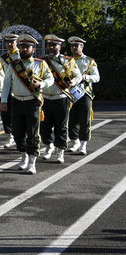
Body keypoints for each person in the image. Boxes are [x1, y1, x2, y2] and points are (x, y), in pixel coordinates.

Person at [0, 34, 54, 175]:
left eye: (27, 47)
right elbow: (6, 84)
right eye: (22, 47)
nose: (24, 49)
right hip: (16, 102)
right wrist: (4, 101)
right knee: (17, 133)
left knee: (32, 133)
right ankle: (23, 154)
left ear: (33, 49)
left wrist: (40, 84)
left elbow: (51, 79)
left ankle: (31, 161)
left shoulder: (40, 64)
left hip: (32, 102)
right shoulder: (13, 65)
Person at [40, 34, 82, 163]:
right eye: (49, 45)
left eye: (54, 45)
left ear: (59, 46)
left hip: (61, 98)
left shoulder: (68, 61)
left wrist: (72, 82)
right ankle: (48, 146)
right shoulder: (42, 61)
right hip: (45, 98)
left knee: (61, 127)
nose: (51, 47)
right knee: (45, 126)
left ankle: (60, 151)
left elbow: (78, 76)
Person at [67, 36, 100, 155]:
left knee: (84, 119)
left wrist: (86, 77)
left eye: (77, 46)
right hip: (71, 93)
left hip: (85, 93)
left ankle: (83, 144)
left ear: (82, 47)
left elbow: (97, 77)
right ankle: (75, 141)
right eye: (72, 46)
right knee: (71, 119)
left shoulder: (89, 61)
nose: (74, 48)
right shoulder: (68, 60)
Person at [0, 33, 20, 148]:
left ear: (16, 43)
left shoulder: (21, 55)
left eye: (12, 42)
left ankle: (21, 135)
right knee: (5, 114)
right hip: (6, 88)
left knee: (19, 113)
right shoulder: (3, 58)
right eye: (8, 42)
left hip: (19, 88)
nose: (10, 44)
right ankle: (10, 136)